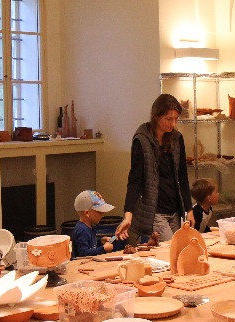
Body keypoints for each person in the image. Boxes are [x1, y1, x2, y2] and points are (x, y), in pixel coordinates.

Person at [116, 93, 194, 244]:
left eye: (176, 119)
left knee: (178, 250)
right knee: (171, 248)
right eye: (169, 119)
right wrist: (128, 215)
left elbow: (183, 176)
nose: (173, 124)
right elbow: (135, 180)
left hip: (175, 210)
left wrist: (189, 209)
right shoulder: (142, 140)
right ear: (156, 116)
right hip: (155, 212)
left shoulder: (177, 138)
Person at [71, 190, 116, 257]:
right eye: (100, 212)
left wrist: (100, 241)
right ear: (87, 213)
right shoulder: (83, 230)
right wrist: (103, 249)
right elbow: (83, 254)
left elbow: (89, 245)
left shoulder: (88, 227)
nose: (102, 215)